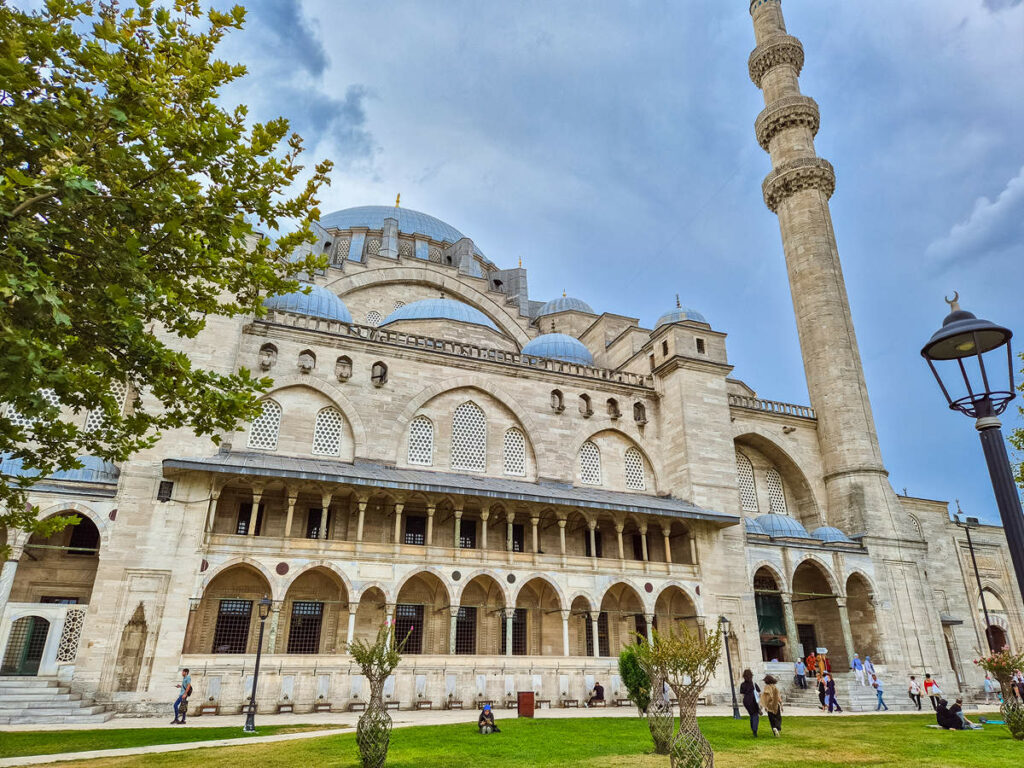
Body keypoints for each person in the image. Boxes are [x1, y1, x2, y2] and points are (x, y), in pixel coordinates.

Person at [739, 669, 761, 737]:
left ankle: (753, 728)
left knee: (751, 714)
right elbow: (759, 693)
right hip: (753, 700)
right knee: (755, 714)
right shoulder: (753, 684)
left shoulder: (742, 684)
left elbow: (742, 694)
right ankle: (754, 729)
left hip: (746, 701)